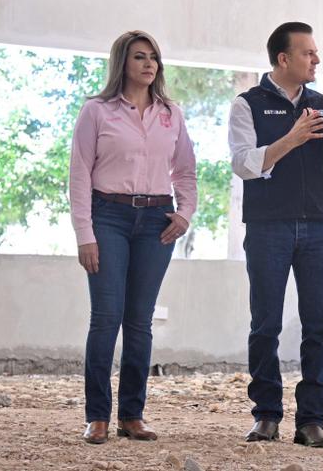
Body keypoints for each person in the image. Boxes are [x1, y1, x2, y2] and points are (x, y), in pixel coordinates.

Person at [228, 22, 323, 449]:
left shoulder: (320, 104)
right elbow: (243, 164)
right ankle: (266, 415)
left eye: (315, 53)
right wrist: (290, 139)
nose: (316, 59)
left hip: (317, 228)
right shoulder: (247, 104)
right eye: (308, 53)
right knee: (265, 325)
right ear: (283, 59)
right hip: (267, 228)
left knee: (318, 327)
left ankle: (312, 420)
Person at [69, 30, 197, 444]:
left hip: (157, 221)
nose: (149, 64)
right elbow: (79, 174)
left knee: (140, 321)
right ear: (122, 62)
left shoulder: (171, 113)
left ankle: (131, 415)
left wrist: (184, 214)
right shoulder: (96, 111)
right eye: (140, 56)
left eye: (153, 57)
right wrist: (84, 233)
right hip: (108, 217)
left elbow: (185, 170)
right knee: (106, 317)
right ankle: (97, 417)